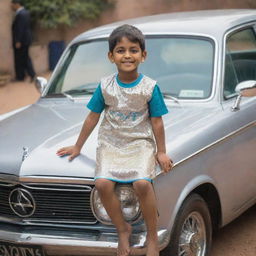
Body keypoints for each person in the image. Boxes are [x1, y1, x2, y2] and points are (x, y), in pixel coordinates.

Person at [56, 24, 173, 256]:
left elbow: (157, 122)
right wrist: (77, 146)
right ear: (111, 56)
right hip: (111, 143)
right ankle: (122, 229)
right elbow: (92, 117)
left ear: (143, 55)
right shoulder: (105, 86)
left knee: (142, 183)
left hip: (139, 143)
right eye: (120, 50)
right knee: (102, 184)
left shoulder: (150, 87)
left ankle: (151, 235)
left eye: (133, 50)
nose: (127, 55)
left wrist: (161, 152)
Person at [11, 0, 36, 82]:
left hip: (22, 41)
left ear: (16, 4)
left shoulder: (21, 14)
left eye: (12, 5)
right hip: (25, 40)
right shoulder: (25, 13)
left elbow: (20, 28)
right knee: (23, 58)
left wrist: (18, 40)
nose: (11, 6)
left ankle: (29, 75)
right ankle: (22, 76)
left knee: (23, 58)